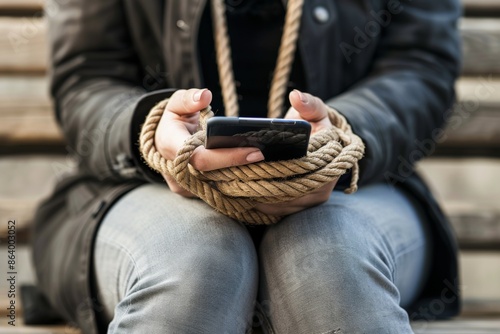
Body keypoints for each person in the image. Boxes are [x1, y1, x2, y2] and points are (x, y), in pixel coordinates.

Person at [33, 0, 462, 333]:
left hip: (357, 189)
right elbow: (87, 78)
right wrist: (149, 127)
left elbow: (419, 66)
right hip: (143, 190)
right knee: (196, 262)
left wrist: (340, 135)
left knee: (328, 259)